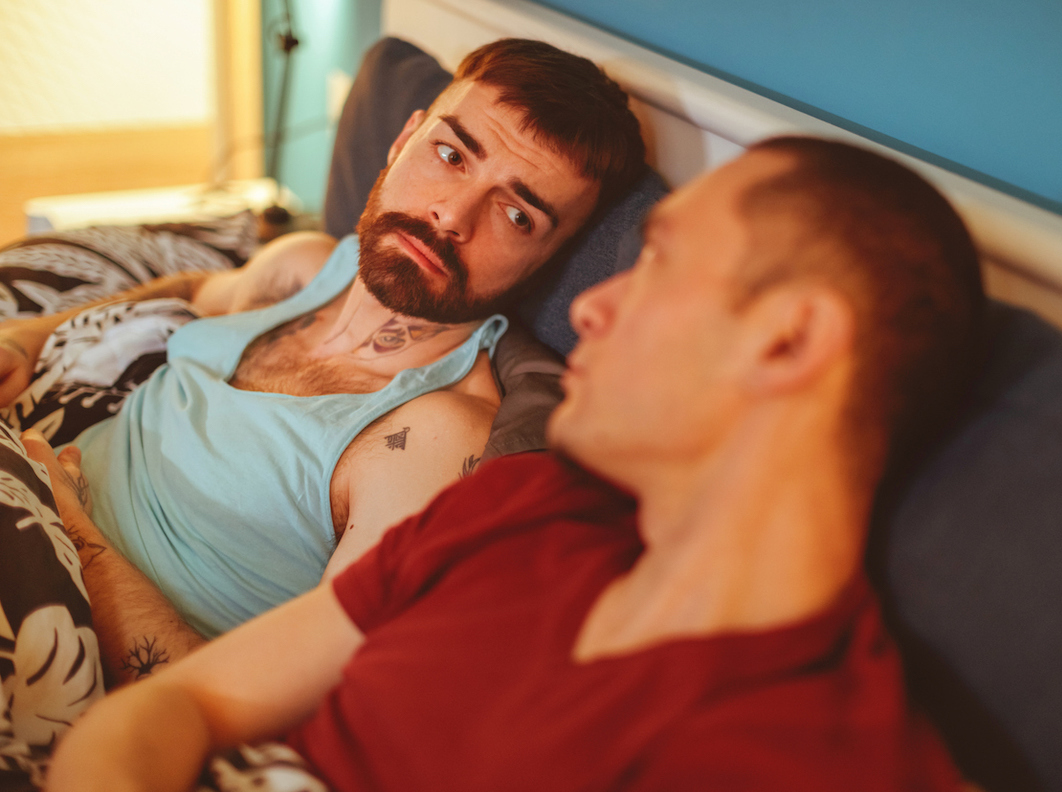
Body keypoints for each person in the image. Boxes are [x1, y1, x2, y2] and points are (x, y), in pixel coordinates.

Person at [38, 135, 985, 792]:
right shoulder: (521, 504)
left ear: (790, 339)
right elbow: (178, 706)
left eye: (661, 263)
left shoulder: (803, 761)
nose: (591, 311)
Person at [0, 37, 646, 687]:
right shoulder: (307, 266)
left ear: (549, 261)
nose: (451, 215)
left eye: (515, 214)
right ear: (403, 141)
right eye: (450, 155)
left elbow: (247, 697)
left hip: (59, 620)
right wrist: (28, 336)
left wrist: (78, 535)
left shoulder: (430, 439)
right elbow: (194, 290)